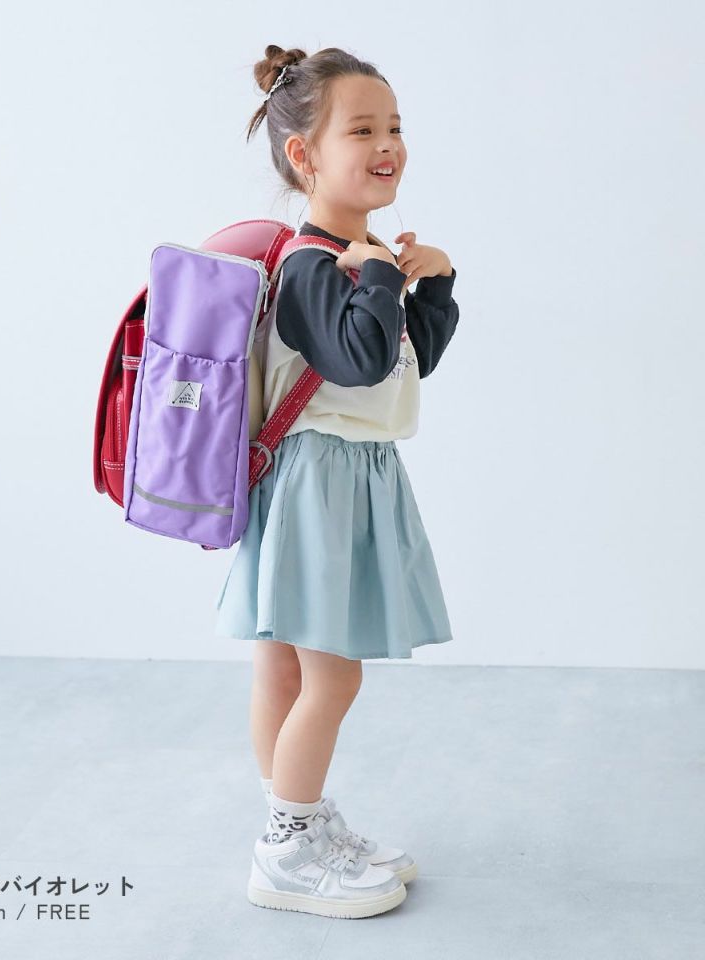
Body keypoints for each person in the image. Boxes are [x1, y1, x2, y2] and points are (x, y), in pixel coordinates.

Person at [214, 44, 460, 919]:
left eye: (394, 126)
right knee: (330, 678)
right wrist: (382, 274)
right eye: (361, 130)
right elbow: (358, 359)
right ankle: (286, 847)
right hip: (318, 480)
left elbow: (403, 359)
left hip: (328, 477)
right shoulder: (312, 263)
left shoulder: (352, 253)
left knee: (285, 670)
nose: (387, 143)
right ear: (304, 155)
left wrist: (431, 286)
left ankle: (302, 823)